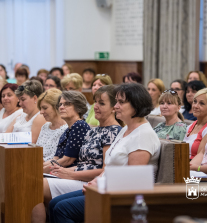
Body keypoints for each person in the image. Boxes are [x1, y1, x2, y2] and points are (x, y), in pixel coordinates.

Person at [48, 83, 161, 223]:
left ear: (136, 105)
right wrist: (95, 181)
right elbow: (108, 167)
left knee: (61, 209)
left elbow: (132, 180)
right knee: (54, 204)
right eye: (116, 102)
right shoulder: (126, 130)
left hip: (120, 196)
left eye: (121, 102)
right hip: (105, 188)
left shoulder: (142, 135)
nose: (116, 106)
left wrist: (100, 185)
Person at [32, 85, 122, 223]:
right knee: (37, 188)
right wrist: (64, 171)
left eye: (101, 103)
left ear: (114, 108)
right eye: (95, 102)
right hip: (77, 176)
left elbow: (105, 171)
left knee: (34, 186)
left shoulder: (113, 131)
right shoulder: (94, 130)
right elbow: (82, 163)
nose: (95, 106)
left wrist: (70, 173)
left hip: (88, 182)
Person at [42, 91, 90, 172]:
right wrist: (37, 167)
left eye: (67, 104)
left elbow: (67, 160)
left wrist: (38, 171)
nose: (61, 107)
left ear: (78, 107)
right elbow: (55, 159)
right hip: (61, 171)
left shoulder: (79, 125)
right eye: (60, 104)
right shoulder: (68, 130)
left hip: (74, 173)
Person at [36, 89, 68, 161]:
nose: (41, 112)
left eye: (45, 108)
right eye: (41, 108)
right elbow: (37, 152)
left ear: (56, 107)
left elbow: (57, 159)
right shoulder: (45, 126)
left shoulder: (66, 129)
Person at [183, 88, 207, 159]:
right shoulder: (190, 126)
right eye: (195, 102)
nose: (195, 106)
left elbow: (201, 158)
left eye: (201, 103)